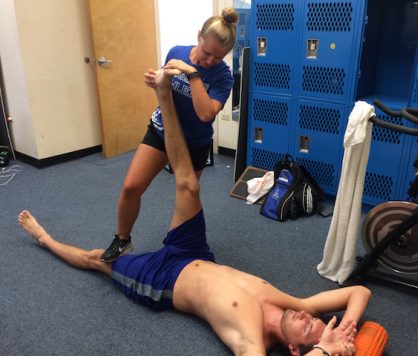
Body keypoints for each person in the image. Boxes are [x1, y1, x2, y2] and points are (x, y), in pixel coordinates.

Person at [18, 68, 371, 356]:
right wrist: (341, 331)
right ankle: (163, 95)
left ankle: (45, 238)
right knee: (188, 183)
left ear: (295, 349)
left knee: (99, 260)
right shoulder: (297, 303)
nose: (303, 315)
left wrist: (325, 352)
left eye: (306, 326)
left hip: (164, 279)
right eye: (312, 318)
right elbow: (360, 294)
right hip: (194, 253)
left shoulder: (250, 340)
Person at [100, 7, 238, 263]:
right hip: (162, 130)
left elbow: (205, 114)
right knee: (131, 186)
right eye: (207, 53)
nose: (210, 61)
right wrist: (155, 80)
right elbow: (165, 86)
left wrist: (193, 73)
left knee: (185, 196)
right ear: (199, 37)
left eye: (217, 58)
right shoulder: (176, 52)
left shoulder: (223, 77)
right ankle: (122, 239)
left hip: (193, 144)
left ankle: (179, 248)